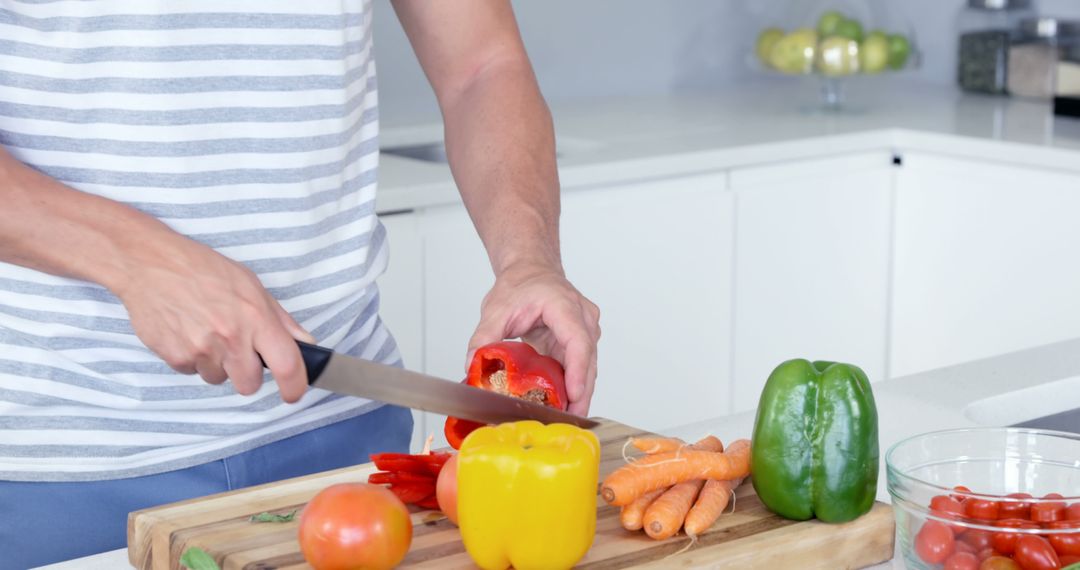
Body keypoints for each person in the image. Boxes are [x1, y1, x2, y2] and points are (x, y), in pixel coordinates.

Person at [0, 1, 600, 567]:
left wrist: (528, 260)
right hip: (64, 469)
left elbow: (482, 66)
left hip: (349, 451)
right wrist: (133, 258)